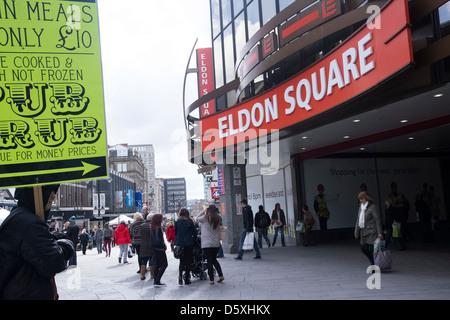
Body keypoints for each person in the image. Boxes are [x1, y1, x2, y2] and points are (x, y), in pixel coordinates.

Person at [0, 185, 74, 300]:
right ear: (33, 192)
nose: (53, 195)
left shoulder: (21, 217)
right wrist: (65, 246)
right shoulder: (29, 223)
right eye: (48, 189)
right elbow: (54, 263)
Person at [197, 205, 225, 285]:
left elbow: (197, 218)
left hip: (206, 243)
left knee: (209, 260)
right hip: (216, 243)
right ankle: (220, 275)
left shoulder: (205, 217)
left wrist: (203, 211)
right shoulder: (218, 218)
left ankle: (211, 280)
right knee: (214, 259)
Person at [354, 192, 383, 266]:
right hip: (363, 231)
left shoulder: (372, 207)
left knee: (371, 249)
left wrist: (379, 232)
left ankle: (373, 265)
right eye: (359, 199)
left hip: (372, 231)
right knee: (363, 248)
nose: (360, 200)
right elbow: (358, 220)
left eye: (362, 199)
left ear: (366, 198)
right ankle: (373, 261)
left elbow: (377, 220)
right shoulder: (360, 207)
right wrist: (356, 230)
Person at [174, 208, 197, 285]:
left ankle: (180, 277)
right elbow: (194, 232)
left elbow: (175, 232)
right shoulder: (189, 221)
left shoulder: (177, 222)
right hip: (188, 243)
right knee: (188, 261)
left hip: (180, 244)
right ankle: (187, 278)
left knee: (181, 261)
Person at [150, 213, 168, 287]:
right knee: (164, 264)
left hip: (154, 248)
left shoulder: (153, 227)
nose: (162, 219)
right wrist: (163, 245)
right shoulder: (158, 227)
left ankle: (156, 281)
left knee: (157, 264)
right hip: (159, 248)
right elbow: (158, 239)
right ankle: (157, 280)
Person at [137, 214, 154, 280]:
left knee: (144, 260)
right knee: (151, 260)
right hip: (151, 245)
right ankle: (152, 275)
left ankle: (142, 275)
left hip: (143, 245)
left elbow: (139, 235)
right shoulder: (152, 226)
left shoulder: (141, 226)